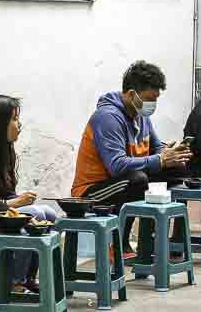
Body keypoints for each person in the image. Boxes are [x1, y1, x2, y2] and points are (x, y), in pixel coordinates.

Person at [0, 95, 59, 290]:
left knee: (49, 214)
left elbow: (5, 192)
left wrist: (17, 200)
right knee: (36, 214)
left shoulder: (3, 148)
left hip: (0, 209)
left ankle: (26, 277)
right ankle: (12, 283)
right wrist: (14, 204)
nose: (19, 125)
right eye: (14, 119)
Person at [71, 61, 191, 215]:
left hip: (123, 181)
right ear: (131, 94)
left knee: (178, 168)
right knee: (137, 180)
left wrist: (171, 154)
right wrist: (161, 159)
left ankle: (155, 235)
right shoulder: (107, 117)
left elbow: (156, 148)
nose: (153, 104)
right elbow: (118, 166)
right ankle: (122, 238)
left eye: (155, 100)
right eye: (149, 99)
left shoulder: (141, 116)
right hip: (91, 192)